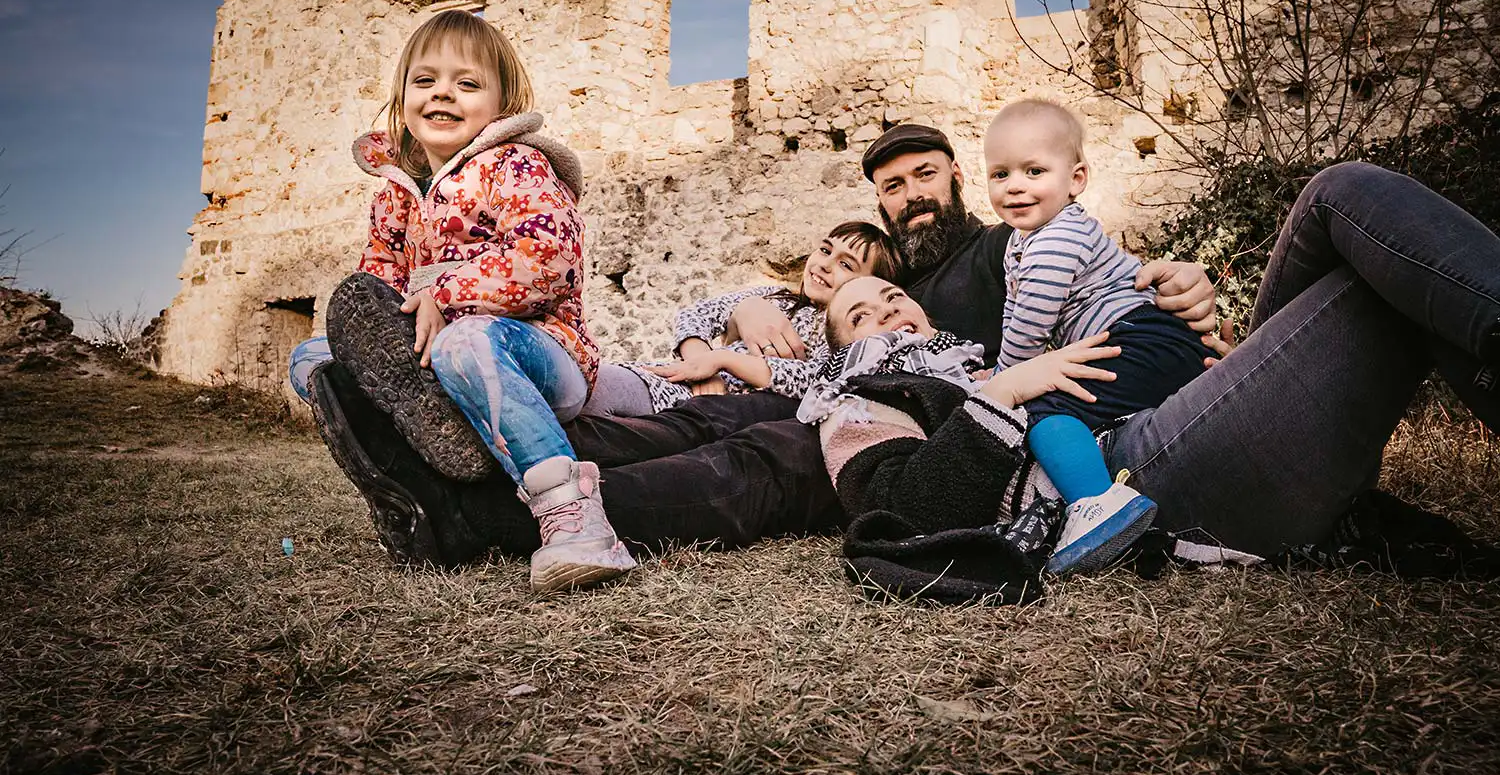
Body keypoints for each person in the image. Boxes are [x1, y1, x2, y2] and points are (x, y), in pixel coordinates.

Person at [306, 121, 1217, 569]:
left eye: (925, 176)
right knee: (686, 424)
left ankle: (472, 513)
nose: (911, 195)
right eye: (891, 187)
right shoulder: (877, 267)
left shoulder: (1003, 246)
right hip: (810, 383)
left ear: (958, 180)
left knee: (751, 458)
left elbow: (1103, 269)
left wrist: (1176, 283)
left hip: (895, 415)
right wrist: (750, 309)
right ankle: (456, 440)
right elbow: (770, 302)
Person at [289, 8, 634, 594]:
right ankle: (442, 436)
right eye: (425, 81)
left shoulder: (516, 166)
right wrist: (383, 322)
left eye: (467, 83)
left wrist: (447, 296)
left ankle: (576, 519)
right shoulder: (396, 194)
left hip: (539, 352)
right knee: (313, 357)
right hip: (432, 353)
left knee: (465, 340)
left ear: (503, 102)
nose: (442, 93)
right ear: (401, 99)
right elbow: (378, 291)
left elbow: (546, 258)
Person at [983, 99, 1208, 573]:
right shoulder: (1023, 240)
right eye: (1000, 174)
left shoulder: (1055, 239)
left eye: (1034, 171)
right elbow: (1015, 311)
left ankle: (1095, 506)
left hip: (1142, 337)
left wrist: (1001, 387)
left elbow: (1031, 324)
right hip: (1143, 340)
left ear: (1076, 179)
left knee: (1044, 406)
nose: (1015, 186)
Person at [800, 276, 1124, 600]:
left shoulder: (971, 368)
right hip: (1099, 477)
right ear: (841, 354)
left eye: (894, 295)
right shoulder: (855, 403)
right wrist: (1002, 393)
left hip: (1116, 433)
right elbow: (906, 512)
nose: (887, 310)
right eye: (859, 317)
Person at [592, 221, 900, 415]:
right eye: (824, 250)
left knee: (591, 393)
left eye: (846, 265)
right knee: (594, 382)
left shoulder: (839, 334)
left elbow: (813, 379)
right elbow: (697, 313)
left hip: (716, 409)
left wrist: (725, 360)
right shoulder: (774, 295)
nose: (825, 264)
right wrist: (701, 363)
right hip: (681, 383)